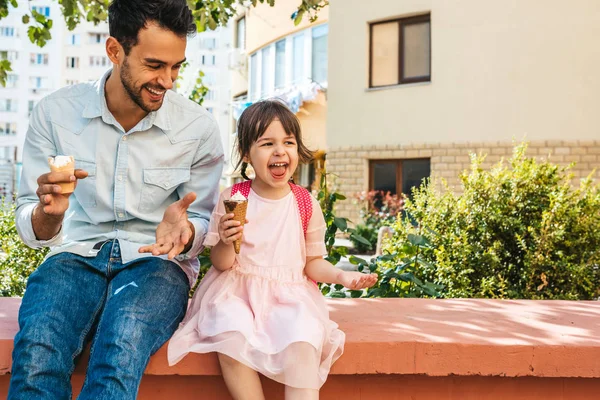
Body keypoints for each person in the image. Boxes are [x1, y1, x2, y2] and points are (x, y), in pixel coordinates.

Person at [8, 0, 224, 398]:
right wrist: (48, 216)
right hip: (74, 255)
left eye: (177, 67)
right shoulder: (55, 114)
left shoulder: (198, 129)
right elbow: (30, 220)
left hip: (156, 264)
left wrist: (187, 230)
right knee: (39, 349)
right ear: (114, 51)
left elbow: (202, 221)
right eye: (155, 65)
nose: (169, 81)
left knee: (120, 345)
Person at [168, 100, 378, 400]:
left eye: (288, 142)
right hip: (235, 292)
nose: (280, 151)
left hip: (288, 295)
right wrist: (227, 240)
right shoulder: (233, 198)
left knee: (303, 341)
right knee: (230, 336)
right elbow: (221, 263)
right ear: (246, 154)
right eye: (267, 143)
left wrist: (342, 278)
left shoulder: (305, 203)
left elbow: (313, 263)